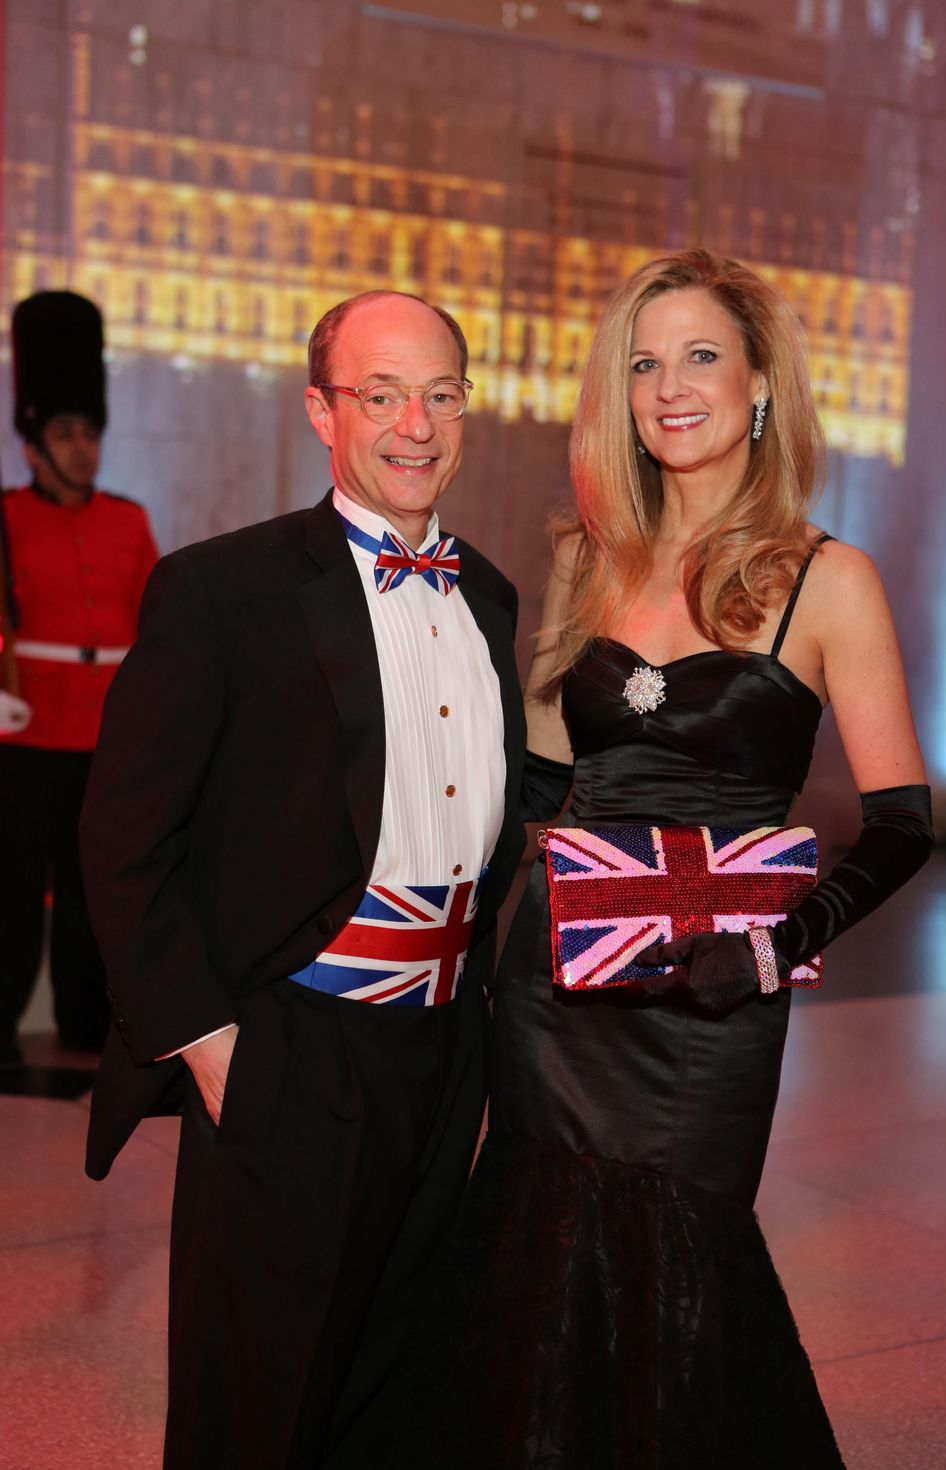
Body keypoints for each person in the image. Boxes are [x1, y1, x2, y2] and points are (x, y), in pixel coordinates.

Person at [399, 249, 933, 1468]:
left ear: (756, 386)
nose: (668, 386)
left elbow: (900, 818)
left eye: (700, 355)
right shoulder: (590, 555)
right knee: (535, 1258)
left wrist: (770, 947)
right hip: (554, 989)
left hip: (710, 1005)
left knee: (678, 1265)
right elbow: (537, 784)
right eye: (643, 363)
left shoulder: (824, 580)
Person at [79, 289, 527, 1470]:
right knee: (258, 1402)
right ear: (321, 411)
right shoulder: (222, 591)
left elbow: (500, 813)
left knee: (398, 1382)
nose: (413, 423)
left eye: (439, 393)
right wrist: (213, 1046)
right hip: (294, 1047)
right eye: (380, 394)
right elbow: (124, 837)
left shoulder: (488, 595)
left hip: (444, 1054)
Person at [0, 291, 158, 1063]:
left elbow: (152, 630)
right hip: (23, 737)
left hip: (102, 735)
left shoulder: (128, 520)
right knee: (13, 889)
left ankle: (83, 1025)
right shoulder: (4, 517)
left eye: (91, 432)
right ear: (33, 443)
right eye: (67, 433)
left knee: (92, 894)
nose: (85, 448)